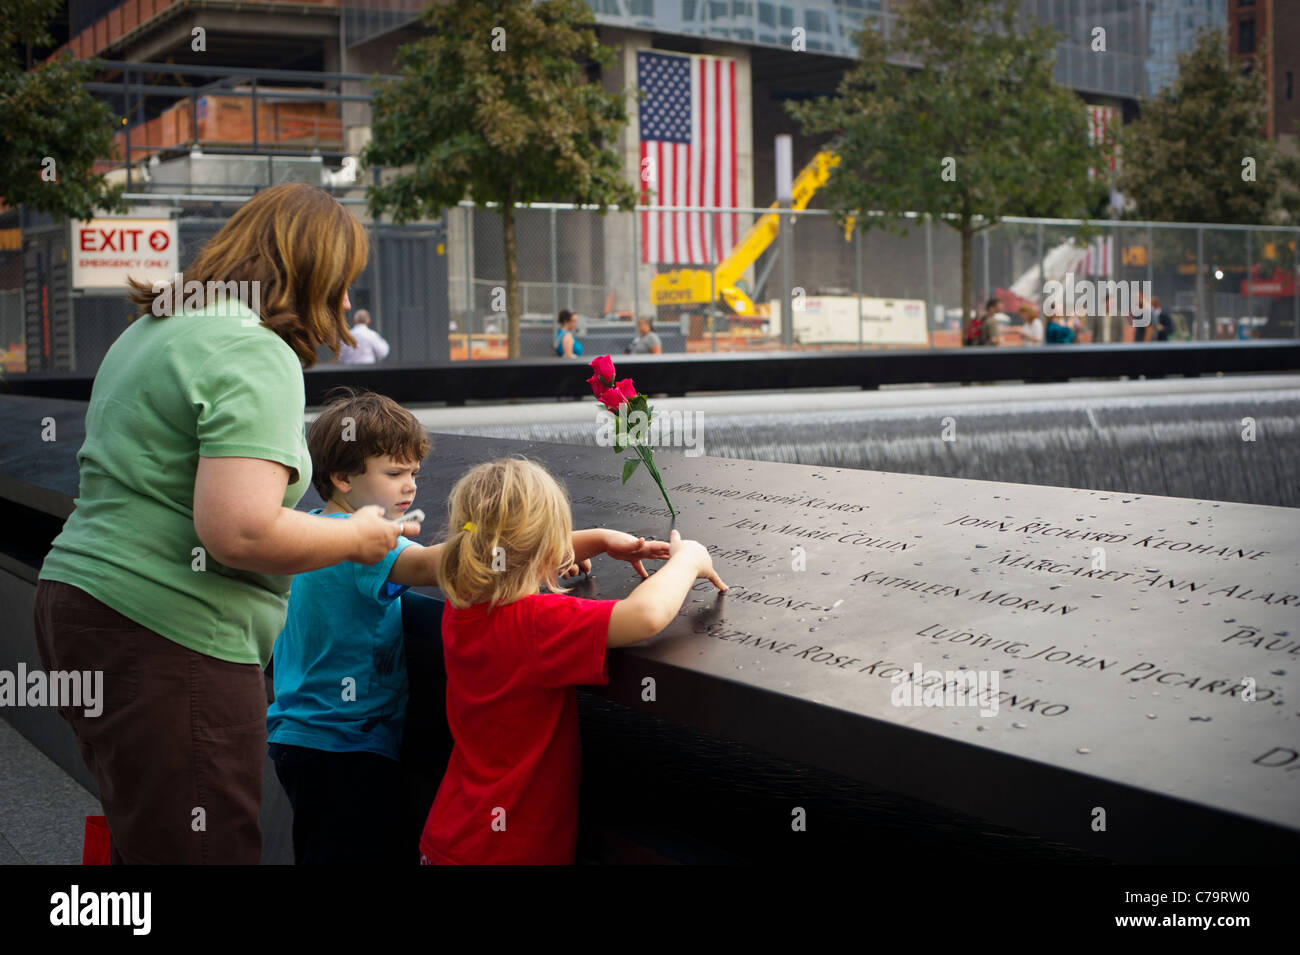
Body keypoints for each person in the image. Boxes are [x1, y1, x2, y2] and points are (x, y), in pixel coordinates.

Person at [33, 182, 404, 864]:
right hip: (171, 635)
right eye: (344, 283)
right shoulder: (255, 347)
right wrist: (359, 536)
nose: (348, 304)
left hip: (81, 607)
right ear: (310, 271)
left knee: (150, 839)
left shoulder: (158, 327)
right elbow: (241, 530)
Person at [419, 458, 727, 865]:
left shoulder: (460, 605)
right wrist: (687, 561)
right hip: (510, 851)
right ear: (548, 549)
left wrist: (598, 539)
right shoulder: (537, 625)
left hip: (452, 836)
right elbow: (645, 616)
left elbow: (504, 545)